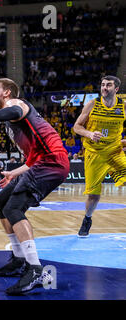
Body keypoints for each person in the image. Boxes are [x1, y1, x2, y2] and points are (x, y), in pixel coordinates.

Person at [0, 78, 69, 295]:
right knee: (0, 202)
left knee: (13, 208)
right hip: (42, 163)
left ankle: (35, 269)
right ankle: (18, 259)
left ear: (7, 92)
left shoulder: (17, 104)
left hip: (52, 163)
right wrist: (13, 173)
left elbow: (16, 111)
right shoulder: (11, 122)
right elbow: (31, 160)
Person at [73, 75, 126, 237]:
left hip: (114, 151)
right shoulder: (92, 104)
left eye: (108, 85)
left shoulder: (123, 106)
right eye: (103, 85)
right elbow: (76, 127)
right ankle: (87, 219)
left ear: (116, 89)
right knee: (94, 196)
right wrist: (89, 134)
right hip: (94, 153)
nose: (104, 87)